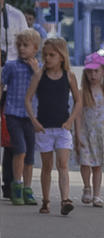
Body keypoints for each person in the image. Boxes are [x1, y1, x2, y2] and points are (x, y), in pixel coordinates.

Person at [24, 35, 81, 215]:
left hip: (62, 127)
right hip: (44, 128)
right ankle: (46, 200)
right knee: (47, 166)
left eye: (51, 55)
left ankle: (65, 200)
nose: (47, 59)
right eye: (45, 55)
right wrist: (34, 120)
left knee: (63, 164)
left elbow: (78, 101)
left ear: (62, 56)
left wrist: (71, 120)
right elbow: (28, 99)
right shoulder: (40, 75)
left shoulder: (69, 76)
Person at [1, 27, 42, 205]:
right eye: (20, 45)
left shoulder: (39, 68)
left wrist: (37, 72)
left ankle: (27, 188)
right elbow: (2, 84)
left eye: (26, 45)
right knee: (20, 150)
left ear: (35, 48)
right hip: (13, 114)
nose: (22, 48)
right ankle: (16, 185)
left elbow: (42, 90)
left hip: (31, 117)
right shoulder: (11, 66)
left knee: (30, 155)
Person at [74, 52, 104, 207]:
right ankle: (87, 187)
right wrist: (77, 135)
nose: (93, 75)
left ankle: (97, 194)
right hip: (85, 134)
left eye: (96, 71)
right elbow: (78, 116)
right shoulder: (82, 93)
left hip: (99, 135)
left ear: (103, 71)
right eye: (90, 71)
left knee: (97, 165)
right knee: (85, 163)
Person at [1, 0, 29, 199]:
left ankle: (10, 183)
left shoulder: (17, 16)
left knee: (11, 133)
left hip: (12, 82)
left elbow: (25, 47)